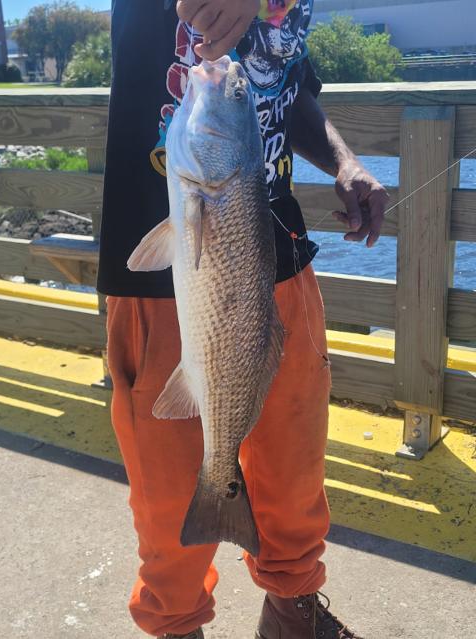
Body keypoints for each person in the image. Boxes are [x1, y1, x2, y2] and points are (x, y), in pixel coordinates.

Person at [97, 1, 389, 637]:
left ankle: (291, 613)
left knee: (294, 475)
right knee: (168, 498)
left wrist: (343, 160)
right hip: (164, 272)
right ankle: (178, 624)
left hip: (278, 256)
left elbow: (286, 81)